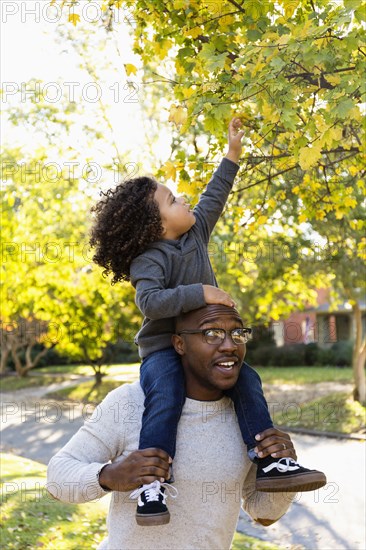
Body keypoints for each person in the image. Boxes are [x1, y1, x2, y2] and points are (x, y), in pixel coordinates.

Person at [89, 118, 326, 525]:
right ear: (156, 225)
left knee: (249, 382)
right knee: (166, 396)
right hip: (164, 347)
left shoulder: (195, 234)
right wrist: (202, 292)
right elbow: (150, 302)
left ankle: (269, 463)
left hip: (207, 344)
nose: (183, 200)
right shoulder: (149, 259)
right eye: (172, 200)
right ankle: (154, 484)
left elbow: (214, 195)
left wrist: (232, 153)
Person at [47, 304, 307, 550]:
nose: (229, 345)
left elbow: (263, 515)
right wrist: (110, 475)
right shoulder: (129, 402)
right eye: (212, 333)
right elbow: (58, 477)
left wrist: (285, 476)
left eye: (238, 333)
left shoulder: (248, 417)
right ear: (180, 344)